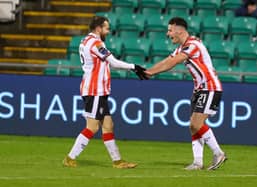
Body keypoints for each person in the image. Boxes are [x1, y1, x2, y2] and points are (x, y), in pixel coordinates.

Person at [63, 16, 148, 169]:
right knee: (92, 127)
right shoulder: (96, 43)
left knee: (108, 125)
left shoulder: (85, 41)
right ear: (98, 28)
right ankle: (70, 157)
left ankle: (117, 161)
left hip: (96, 89)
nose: (108, 32)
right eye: (106, 28)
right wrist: (134, 67)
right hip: (95, 90)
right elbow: (113, 62)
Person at [145, 17, 227, 170]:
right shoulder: (182, 48)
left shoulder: (193, 45)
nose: (168, 34)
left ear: (179, 29)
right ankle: (197, 162)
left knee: (196, 124)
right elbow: (165, 61)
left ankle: (218, 153)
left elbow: (173, 62)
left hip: (209, 87)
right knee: (193, 126)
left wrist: (150, 72)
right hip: (199, 89)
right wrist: (149, 71)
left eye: (170, 30)